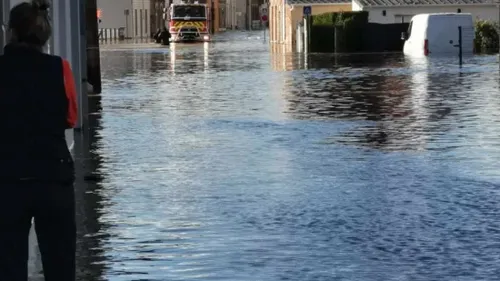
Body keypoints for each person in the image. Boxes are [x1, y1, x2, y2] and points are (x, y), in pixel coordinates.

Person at [0, 0, 78, 280]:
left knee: (9, 265)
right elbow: (71, 117)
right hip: (53, 176)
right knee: (60, 265)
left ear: (11, 32)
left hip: (8, 179)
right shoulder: (61, 69)